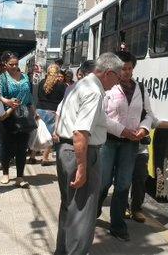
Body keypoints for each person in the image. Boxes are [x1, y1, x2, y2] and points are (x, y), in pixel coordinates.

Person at [54, 52, 124, 255]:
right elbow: (81, 132)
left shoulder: (79, 85)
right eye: (118, 78)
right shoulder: (94, 91)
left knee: (69, 207)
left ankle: (63, 251)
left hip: (65, 150)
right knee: (82, 214)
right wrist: (83, 167)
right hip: (82, 153)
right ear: (109, 73)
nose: (117, 83)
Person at [97, 50, 155, 242]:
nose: (126, 72)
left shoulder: (141, 88)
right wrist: (122, 130)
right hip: (109, 142)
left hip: (131, 144)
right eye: (123, 69)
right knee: (104, 182)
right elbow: (101, 117)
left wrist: (144, 129)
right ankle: (93, 210)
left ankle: (117, 225)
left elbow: (148, 115)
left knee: (123, 184)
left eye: (130, 68)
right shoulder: (107, 88)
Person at [126, 119, 168, 223]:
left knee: (141, 177)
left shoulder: (143, 104)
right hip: (123, 146)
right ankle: (122, 206)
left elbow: (153, 120)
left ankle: (136, 209)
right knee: (123, 179)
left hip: (141, 149)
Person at [0, 51, 36, 188]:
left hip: (24, 114)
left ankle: (20, 176)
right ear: (5, 64)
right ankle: (6, 173)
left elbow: (29, 96)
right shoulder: (1, 79)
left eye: (16, 64)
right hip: (8, 115)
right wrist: (6, 101)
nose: (14, 66)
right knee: (7, 145)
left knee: (22, 147)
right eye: (11, 64)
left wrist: (34, 113)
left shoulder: (25, 77)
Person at [33, 64, 66, 165]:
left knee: (38, 134)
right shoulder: (61, 85)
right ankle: (45, 158)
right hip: (52, 111)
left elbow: (38, 96)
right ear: (57, 73)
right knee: (50, 136)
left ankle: (32, 156)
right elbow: (63, 99)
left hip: (40, 110)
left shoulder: (42, 82)